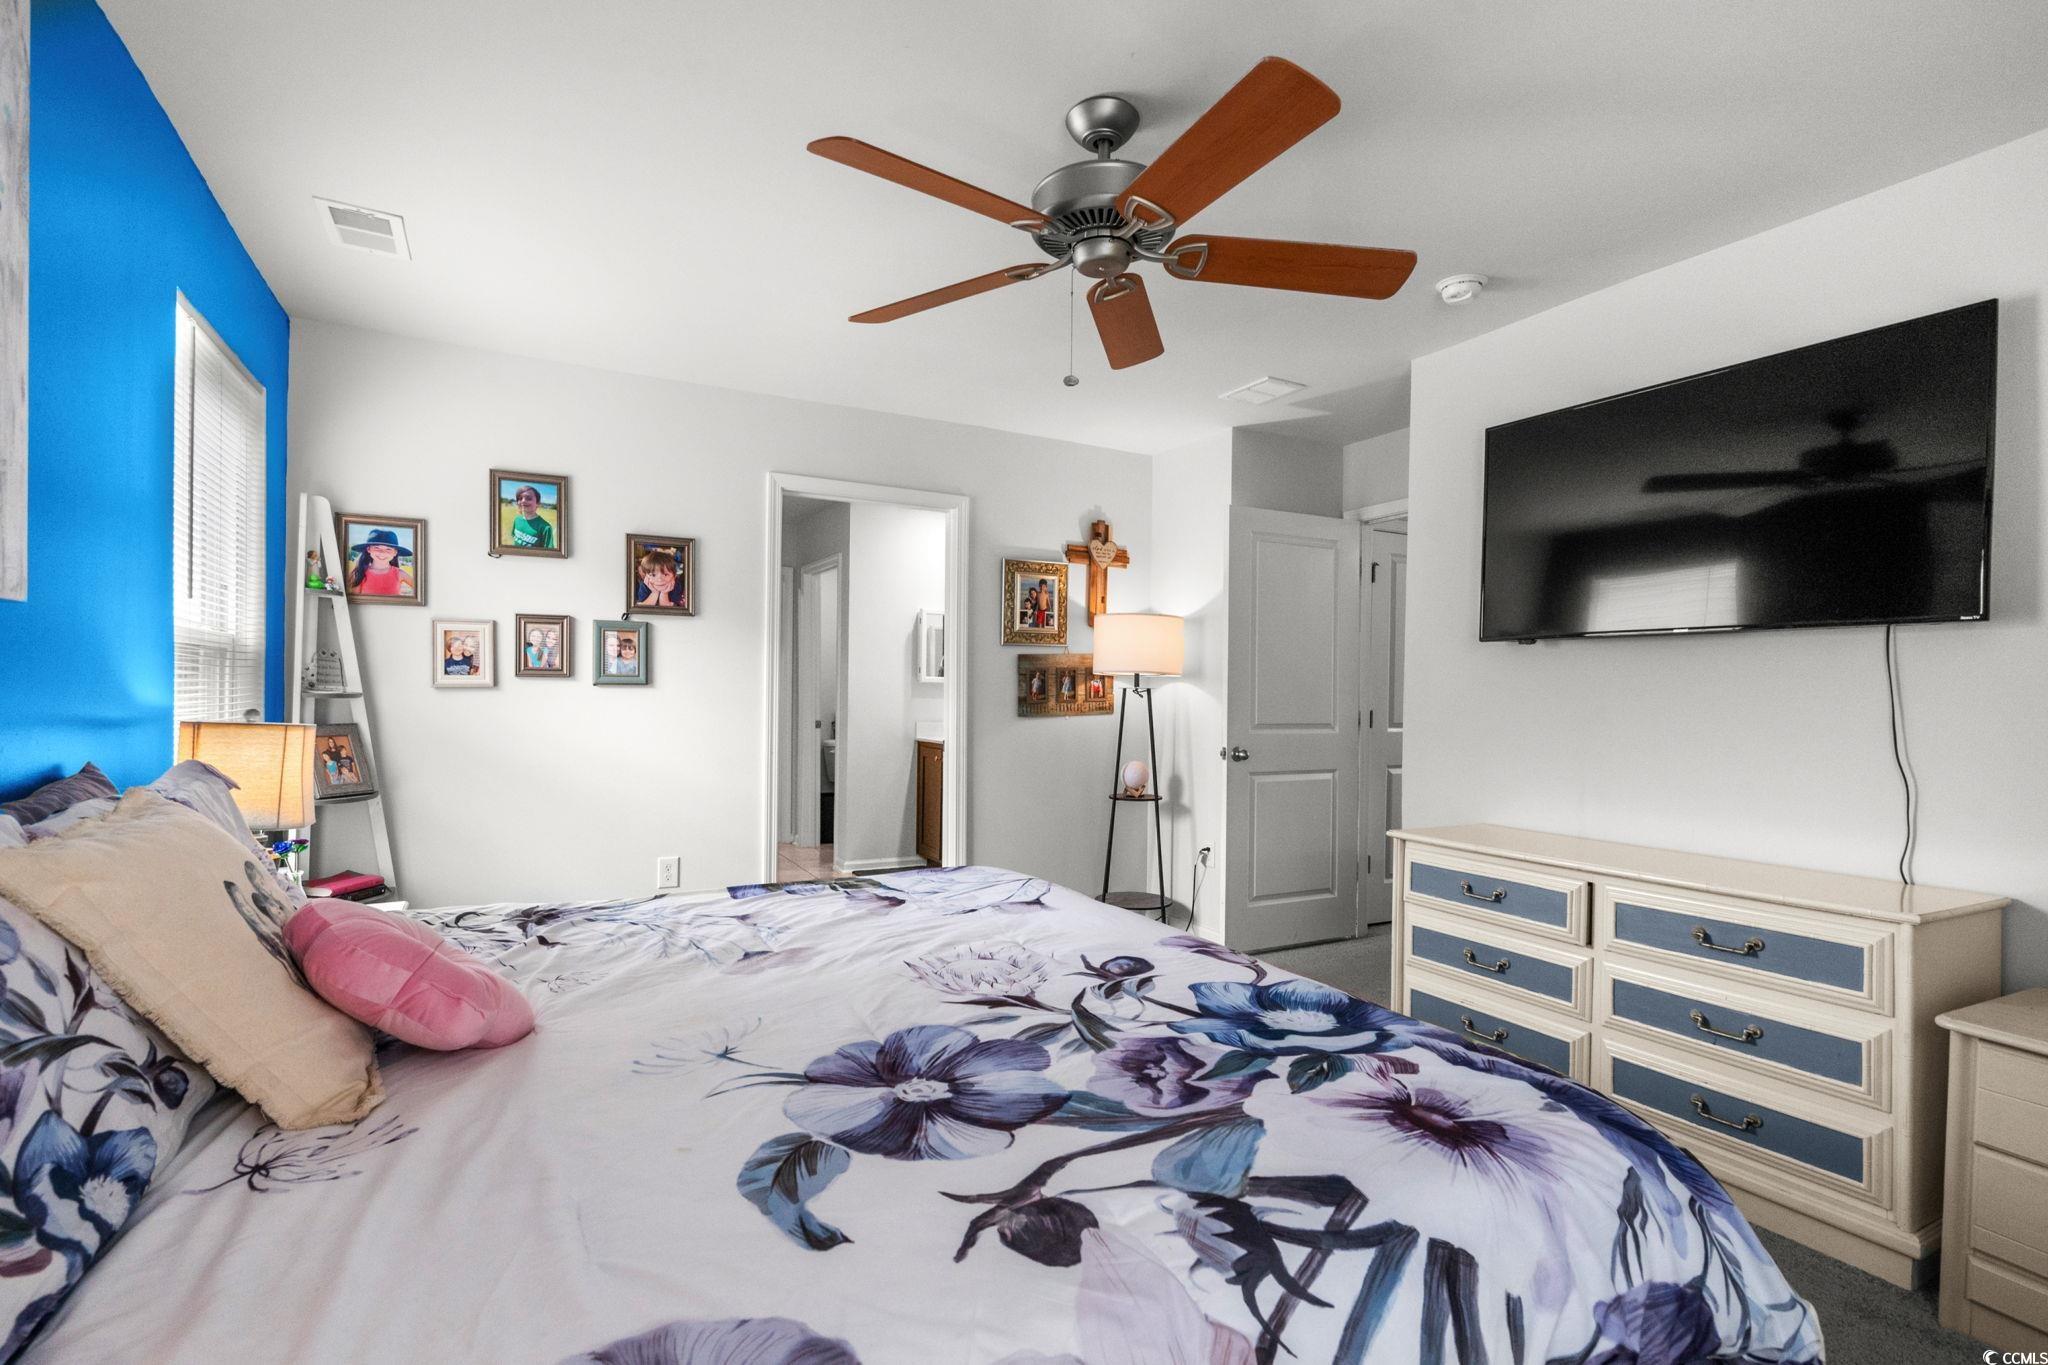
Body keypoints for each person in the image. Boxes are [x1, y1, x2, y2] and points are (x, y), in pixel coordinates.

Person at [349, 528, 415, 597]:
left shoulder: (400, 574)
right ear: (368, 549)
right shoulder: (359, 573)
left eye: (388, 549)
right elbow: (355, 601)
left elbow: (421, 591)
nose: (382, 552)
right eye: (377, 547)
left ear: (395, 552)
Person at [506, 485, 556, 551]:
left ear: (537, 503)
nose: (523, 501)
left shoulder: (545, 527)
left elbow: (549, 553)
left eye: (528, 498)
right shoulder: (517, 520)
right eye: (520, 498)